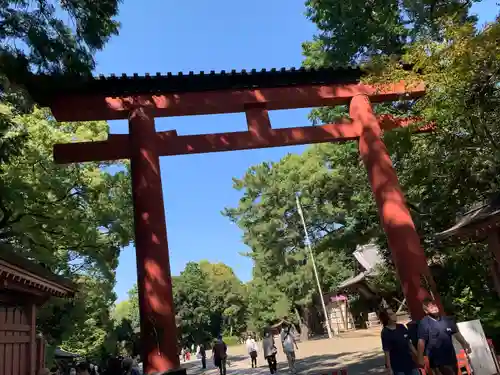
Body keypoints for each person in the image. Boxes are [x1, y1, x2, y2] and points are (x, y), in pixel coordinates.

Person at [417, 298, 471, 375]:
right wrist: (420, 357)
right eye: (431, 307)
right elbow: (421, 341)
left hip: (451, 356)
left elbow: (456, 334)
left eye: (435, 306)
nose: (435, 308)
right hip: (437, 360)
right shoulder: (424, 323)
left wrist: (465, 344)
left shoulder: (447, 320)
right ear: (426, 311)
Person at [379, 309, 419, 375]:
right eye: (391, 314)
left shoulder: (401, 327)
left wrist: (418, 355)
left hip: (410, 362)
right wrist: (389, 368)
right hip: (398, 366)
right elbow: (387, 351)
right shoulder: (385, 332)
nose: (394, 315)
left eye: (393, 313)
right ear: (386, 317)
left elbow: (409, 343)